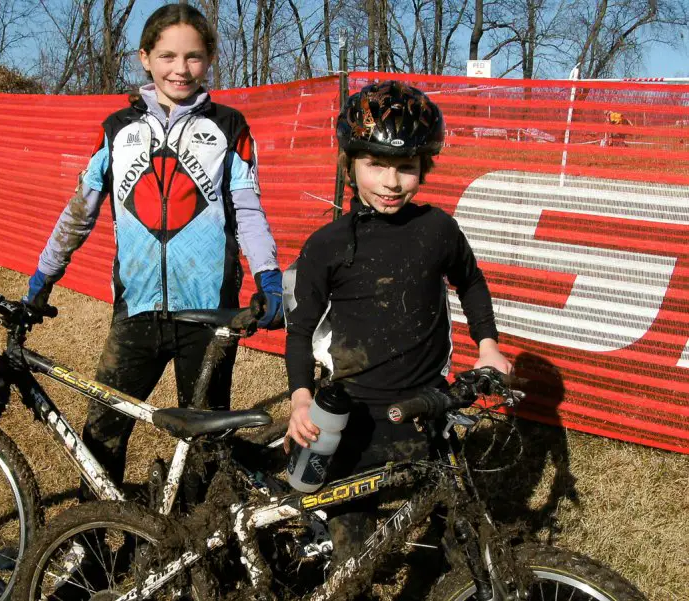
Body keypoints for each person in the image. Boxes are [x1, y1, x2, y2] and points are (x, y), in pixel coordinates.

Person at [25, 3, 284, 496]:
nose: (179, 69)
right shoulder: (117, 128)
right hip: (136, 312)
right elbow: (81, 209)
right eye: (167, 56)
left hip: (208, 317)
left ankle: (202, 550)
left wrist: (268, 276)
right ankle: (91, 543)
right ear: (144, 58)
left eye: (193, 57)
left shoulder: (229, 126)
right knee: (102, 432)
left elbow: (248, 212)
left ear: (209, 60)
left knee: (208, 441)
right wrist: (44, 276)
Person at [284, 80, 512, 565]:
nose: (391, 182)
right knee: (355, 560)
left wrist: (488, 344)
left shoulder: (438, 230)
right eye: (376, 164)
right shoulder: (328, 244)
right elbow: (300, 328)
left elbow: (471, 282)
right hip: (352, 422)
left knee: (459, 536)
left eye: (406, 168)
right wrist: (301, 397)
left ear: (423, 167)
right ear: (350, 164)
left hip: (427, 408)